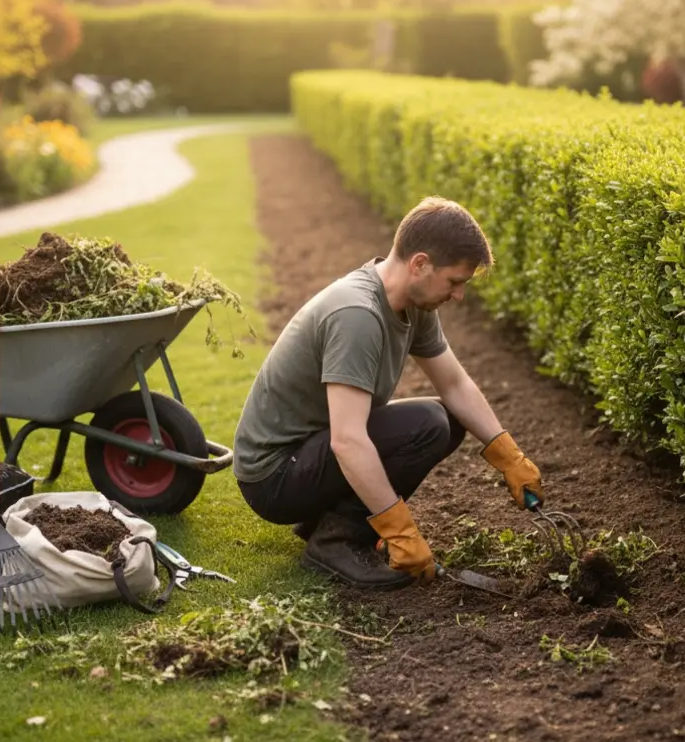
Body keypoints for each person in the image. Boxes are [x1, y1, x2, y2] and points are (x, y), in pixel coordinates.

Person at [232, 195, 545, 590]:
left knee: (447, 419)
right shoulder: (357, 315)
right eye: (455, 282)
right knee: (429, 424)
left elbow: (454, 384)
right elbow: (347, 441)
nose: (459, 295)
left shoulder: (413, 305)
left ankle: (328, 520)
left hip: (308, 453)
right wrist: (400, 530)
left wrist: (508, 456)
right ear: (420, 264)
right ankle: (336, 541)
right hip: (274, 477)